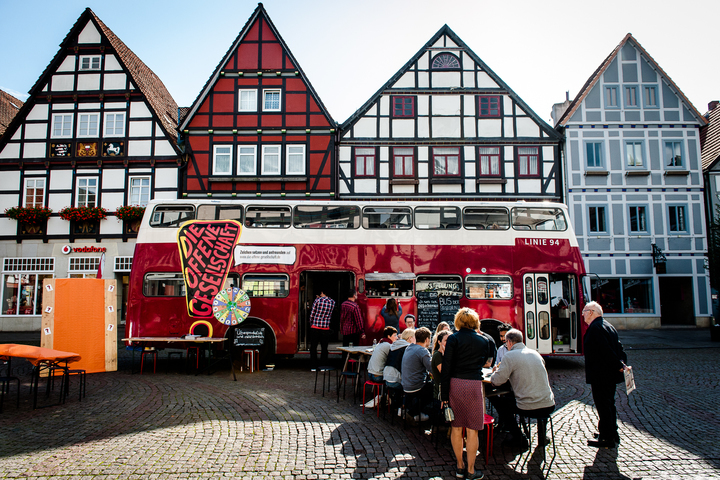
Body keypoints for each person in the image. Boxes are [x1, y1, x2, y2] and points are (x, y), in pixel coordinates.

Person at [441, 308, 494, 480]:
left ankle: (459, 466)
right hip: (474, 385)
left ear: (458, 322)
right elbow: (485, 361)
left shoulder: (453, 339)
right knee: (473, 430)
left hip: (456, 384)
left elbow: (446, 368)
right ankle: (471, 470)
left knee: (456, 428)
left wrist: (444, 395)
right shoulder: (484, 341)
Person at [489, 329, 556, 449]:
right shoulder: (536, 353)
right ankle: (542, 437)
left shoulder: (509, 356)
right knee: (538, 398)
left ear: (509, 342)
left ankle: (518, 436)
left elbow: (496, 381)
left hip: (527, 407)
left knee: (501, 404)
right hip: (549, 404)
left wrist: (495, 373)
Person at [582, 301, 627, 448]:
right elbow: (619, 348)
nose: (582, 313)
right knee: (609, 404)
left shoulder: (596, 328)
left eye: (584, 310)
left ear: (592, 312)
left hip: (601, 375)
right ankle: (611, 432)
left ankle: (607, 438)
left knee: (603, 405)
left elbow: (606, 350)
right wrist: (621, 364)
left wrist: (618, 365)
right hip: (608, 374)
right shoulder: (608, 325)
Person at [401, 326, 433, 422]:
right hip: (415, 387)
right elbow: (432, 369)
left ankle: (410, 410)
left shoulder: (408, 348)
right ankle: (413, 413)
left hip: (404, 385)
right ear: (427, 339)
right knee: (433, 388)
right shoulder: (423, 351)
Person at [308, 290, 335, 370]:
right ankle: (323, 366)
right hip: (325, 328)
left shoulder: (317, 300)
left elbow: (312, 313)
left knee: (313, 347)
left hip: (315, 327)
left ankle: (313, 366)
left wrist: (311, 323)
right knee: (324, 348)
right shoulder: (332, 302)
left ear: (323, 293)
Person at [431, 330, 450, 401]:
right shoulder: (437, 356)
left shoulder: (447, 354)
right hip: (440, 393)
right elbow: (445, 373)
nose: (448, 342)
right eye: (446, 340)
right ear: (439, 342)